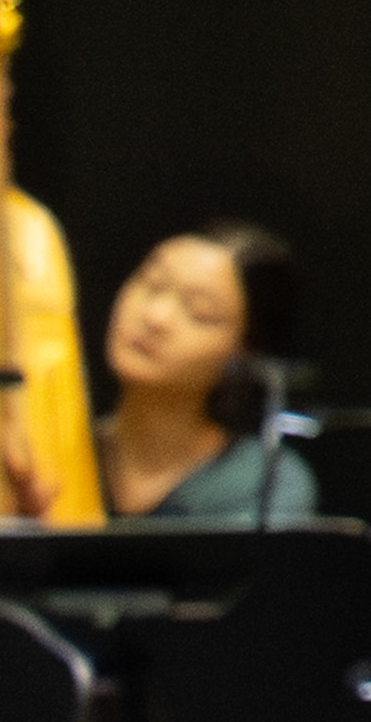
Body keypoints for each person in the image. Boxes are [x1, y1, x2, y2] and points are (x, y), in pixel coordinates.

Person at [88, 221, 321, 528]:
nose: (155, 316)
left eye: (199, 312)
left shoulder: (265, 484)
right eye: (152, 283)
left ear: (244, 350)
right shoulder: (52, 453)